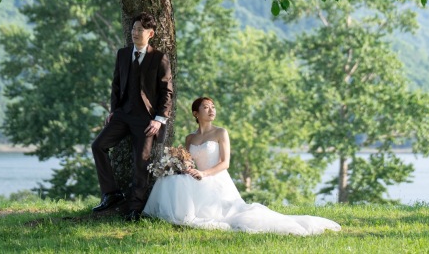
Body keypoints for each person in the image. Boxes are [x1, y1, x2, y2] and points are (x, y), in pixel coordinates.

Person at [143, 97, 341, 235]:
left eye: (213, 106)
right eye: (206, 107)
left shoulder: (221, 133)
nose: (211, 110)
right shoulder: (190, 138)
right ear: (196, 113)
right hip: (195, 177)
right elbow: (188, 159)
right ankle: (174, 215)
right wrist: (183, 166)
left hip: (214, 178)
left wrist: (204, 174)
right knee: (172, 180)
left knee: (235, 216)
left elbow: (225, 163)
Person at [91, 12, 174, 222]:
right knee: (98, 146)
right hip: (122, 115)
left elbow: (167, 92)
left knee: (141, 162)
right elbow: (116, 84)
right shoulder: (122, 54)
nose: (135, 33)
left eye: (140, 30)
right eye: (134, 29)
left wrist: (159, 119)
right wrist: (113, 111)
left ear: (151, 33)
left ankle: (134, 209)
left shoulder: (159, 58)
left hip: (146, 120)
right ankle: (111, 193)